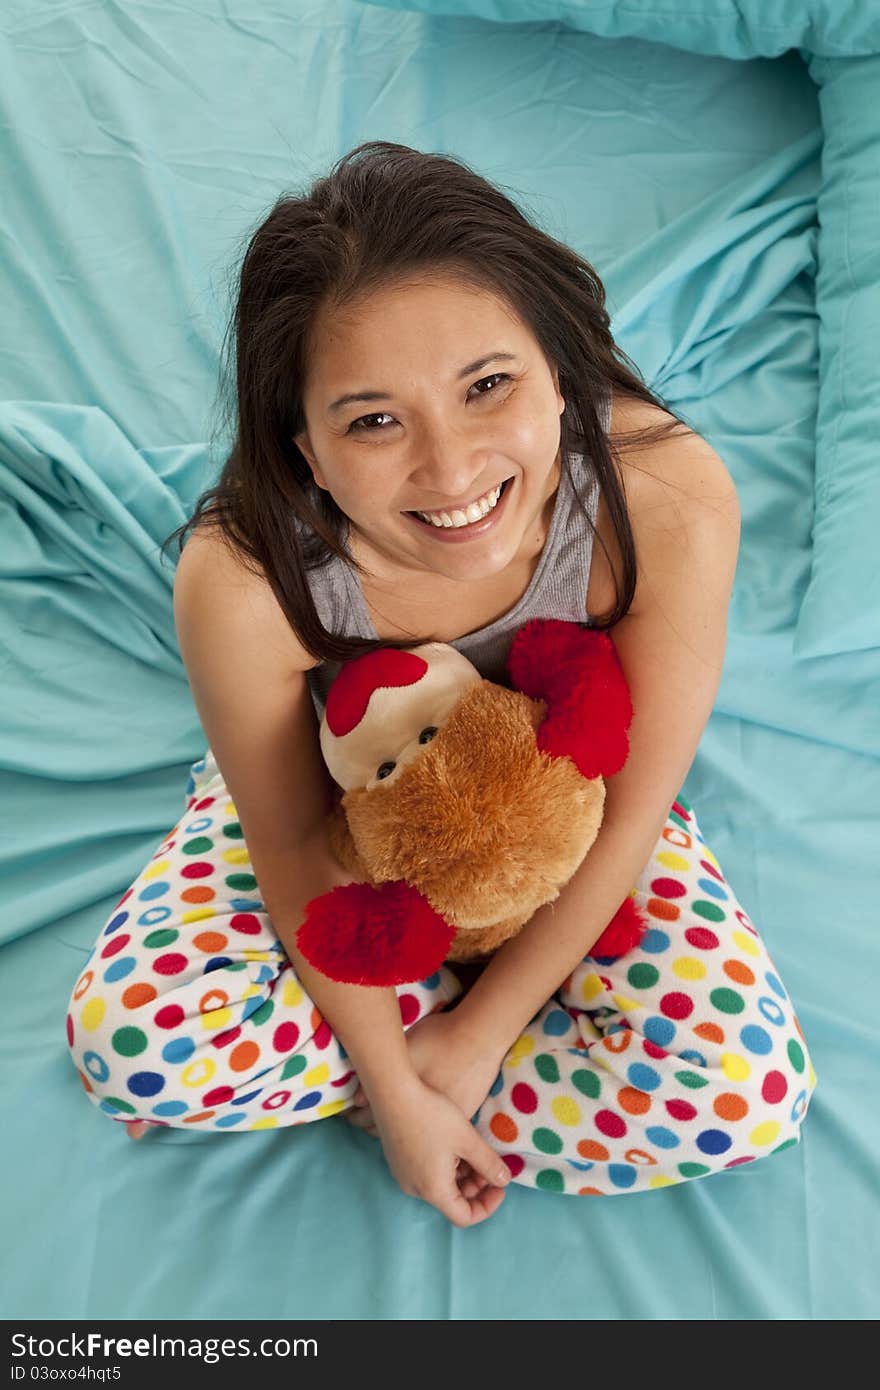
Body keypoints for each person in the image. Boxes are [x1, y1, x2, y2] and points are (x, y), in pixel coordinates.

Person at [65, 140, 817, 1228]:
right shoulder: (241, 582)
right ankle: (399, 1067)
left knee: (747, 1098)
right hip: (352, 834)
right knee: (125, 1048)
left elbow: (640, 805)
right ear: (306, 451)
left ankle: (381, 1060)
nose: (451, 470)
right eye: (373, 420)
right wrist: (399, 1095)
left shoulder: (666, 494)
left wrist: (471, 1039)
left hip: (575, 827)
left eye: (488, 387)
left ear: (560, 372)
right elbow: (291, 846)